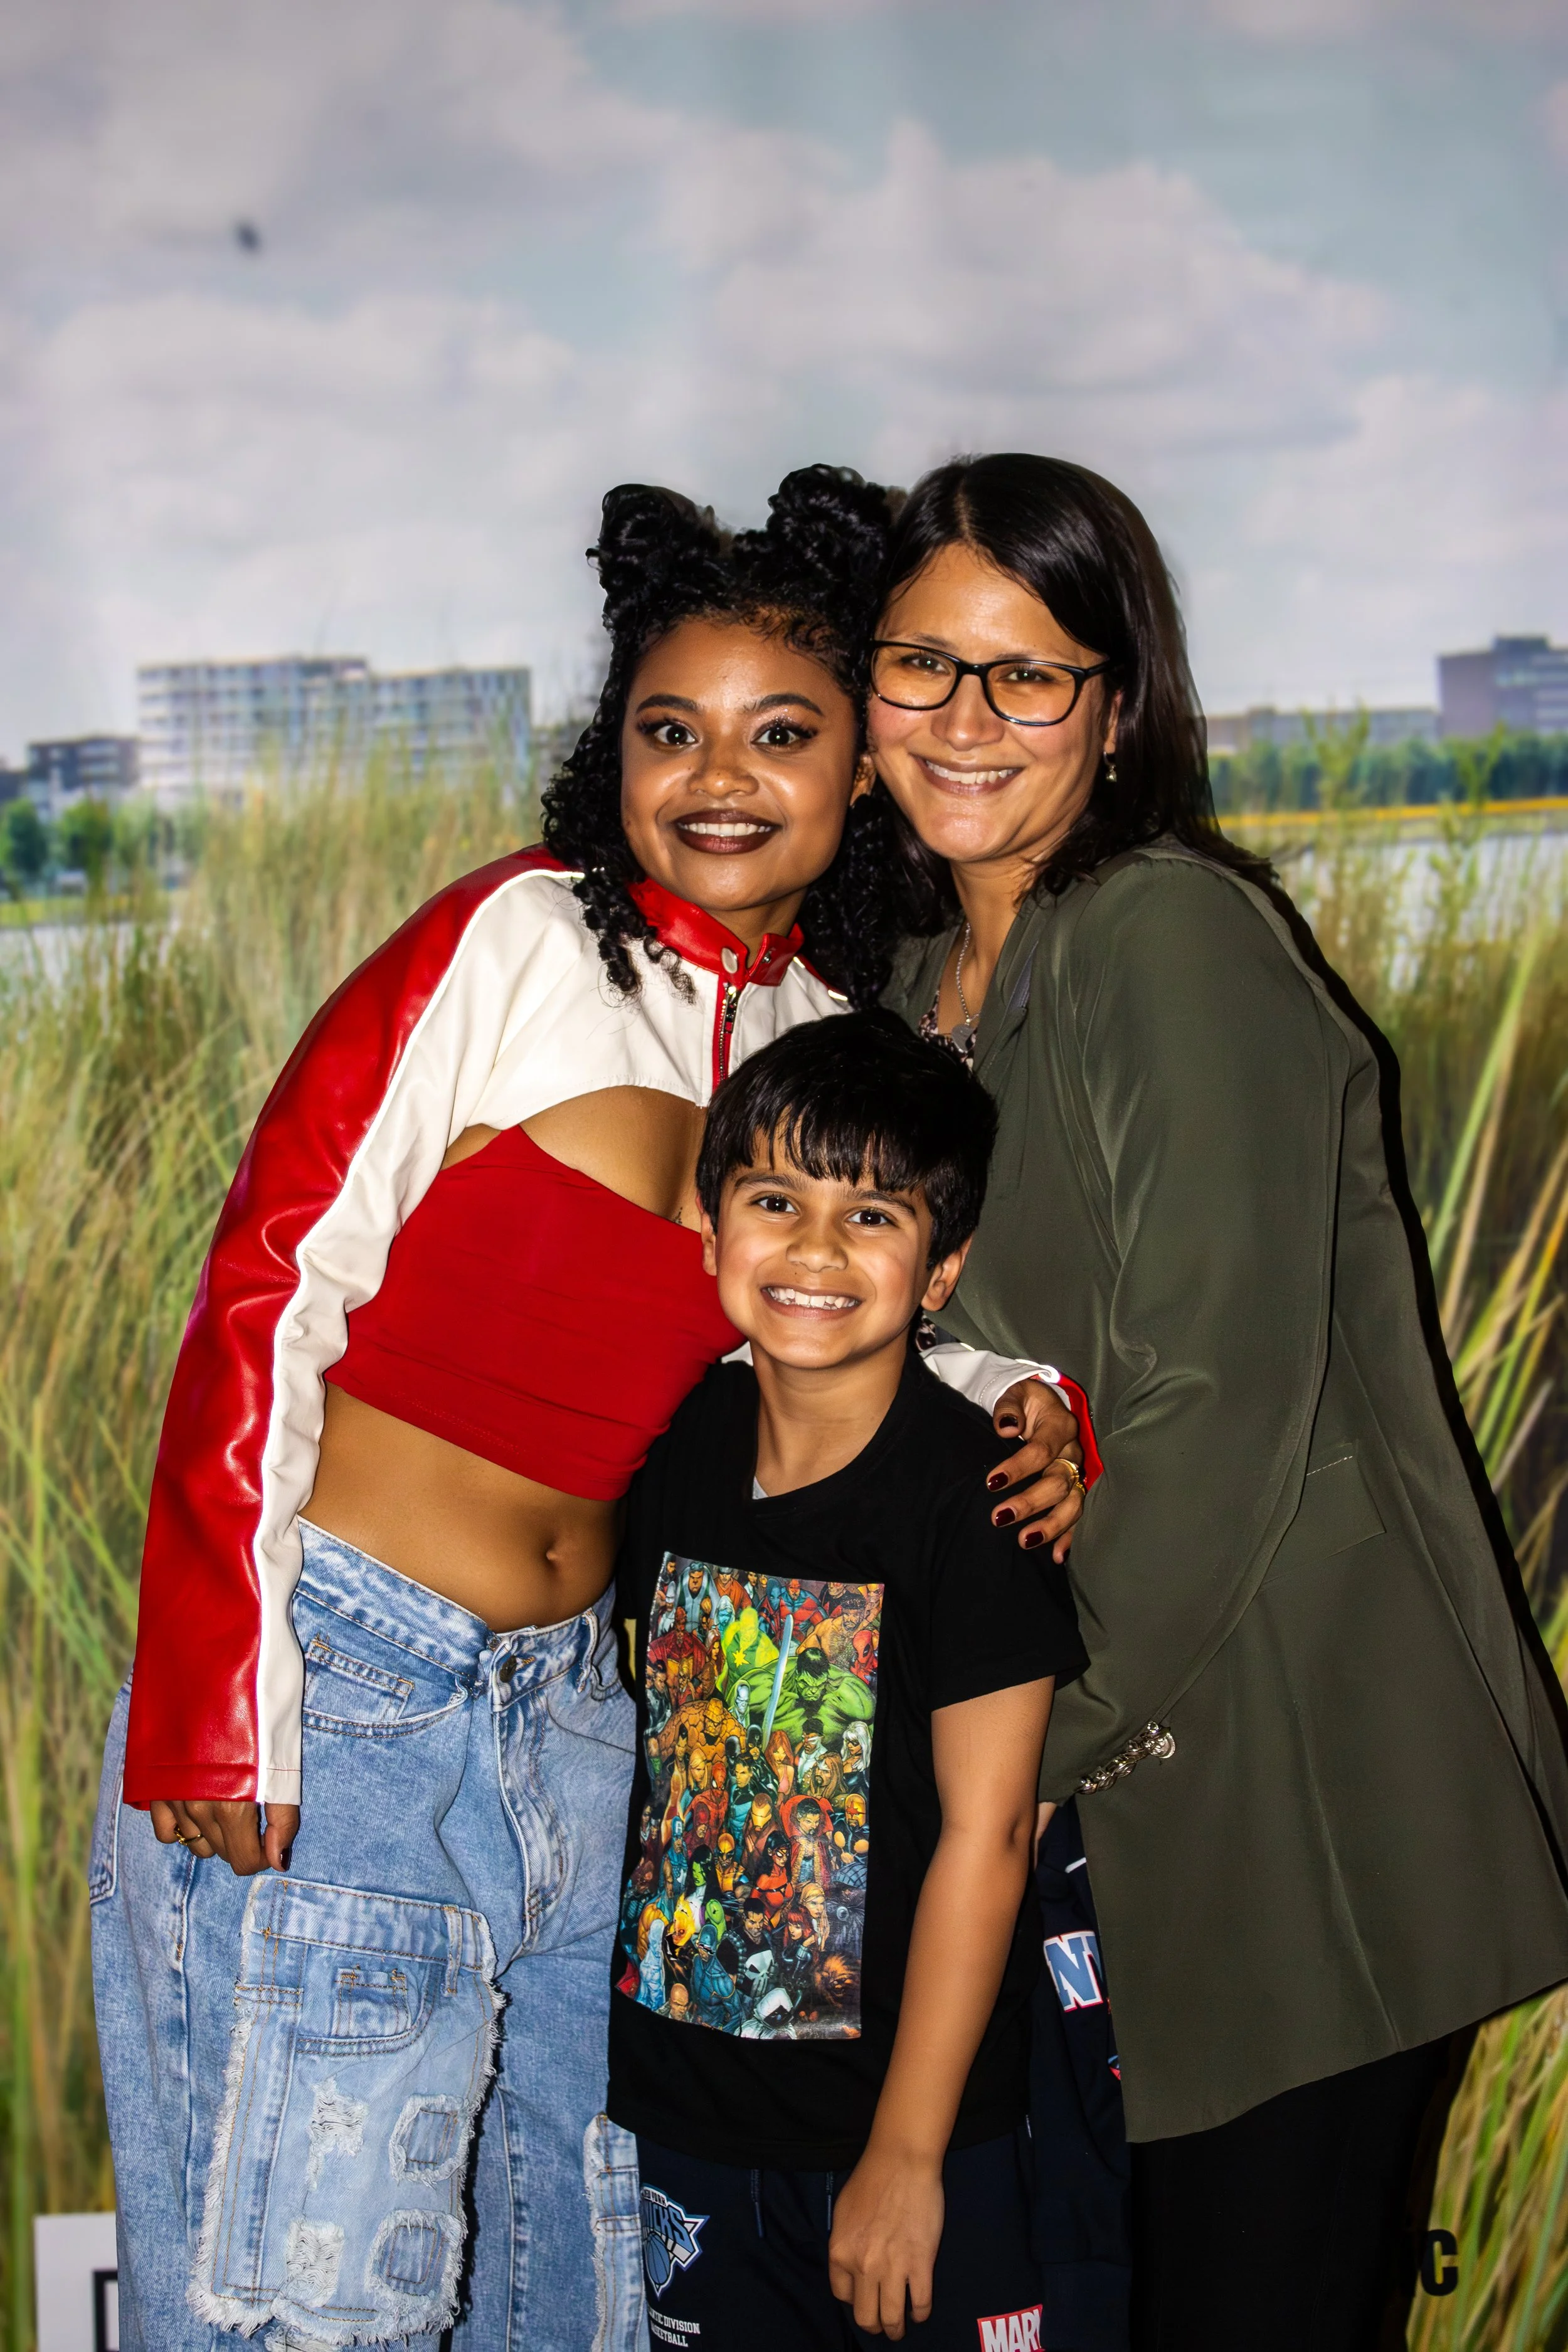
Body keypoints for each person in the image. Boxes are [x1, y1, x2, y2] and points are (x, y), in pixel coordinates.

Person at [89, 465, 1087, 2352]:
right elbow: (269, 1280)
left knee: (568, 2297)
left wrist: (1030, 1404)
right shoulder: (513, 936)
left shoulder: (816, 1046)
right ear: (608, 752)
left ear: (857, 769)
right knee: (302, 2301)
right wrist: (224, 1687)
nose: (720, 773)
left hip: (577, 1733)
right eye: (669, 728)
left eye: (782, 731)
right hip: (351, 1681)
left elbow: (822, 1322)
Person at [872, 450, 1568, 2349]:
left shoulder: (1164, 933)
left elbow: (1213, 1398)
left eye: (1027, 673)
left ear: (1114, 708)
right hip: (1110, 1843)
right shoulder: (919, 979)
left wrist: (990, 1770)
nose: (965, 719)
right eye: (921, 665)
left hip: (1290, 1794)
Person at [610, 1011, 1088, 2349]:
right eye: (775, 1200)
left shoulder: (972, 1501)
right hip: (678, 2126)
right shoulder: (669, 1446)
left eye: (871, 1215)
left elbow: (988, 1838)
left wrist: (906, 2154)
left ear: (939, 1271)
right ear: (710, 1230)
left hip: (901, 2135)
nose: (814, 1251)